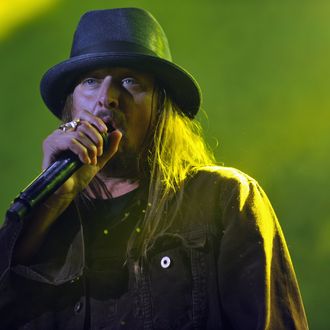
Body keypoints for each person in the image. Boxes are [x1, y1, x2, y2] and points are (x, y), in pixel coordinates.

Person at [0, 7, 308, 330]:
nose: (107, 98)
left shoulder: (224, 199)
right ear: (71, 105)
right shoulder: (41, 231)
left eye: (129, 80)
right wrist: (48, 204)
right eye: (90, 81)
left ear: (161, 107)